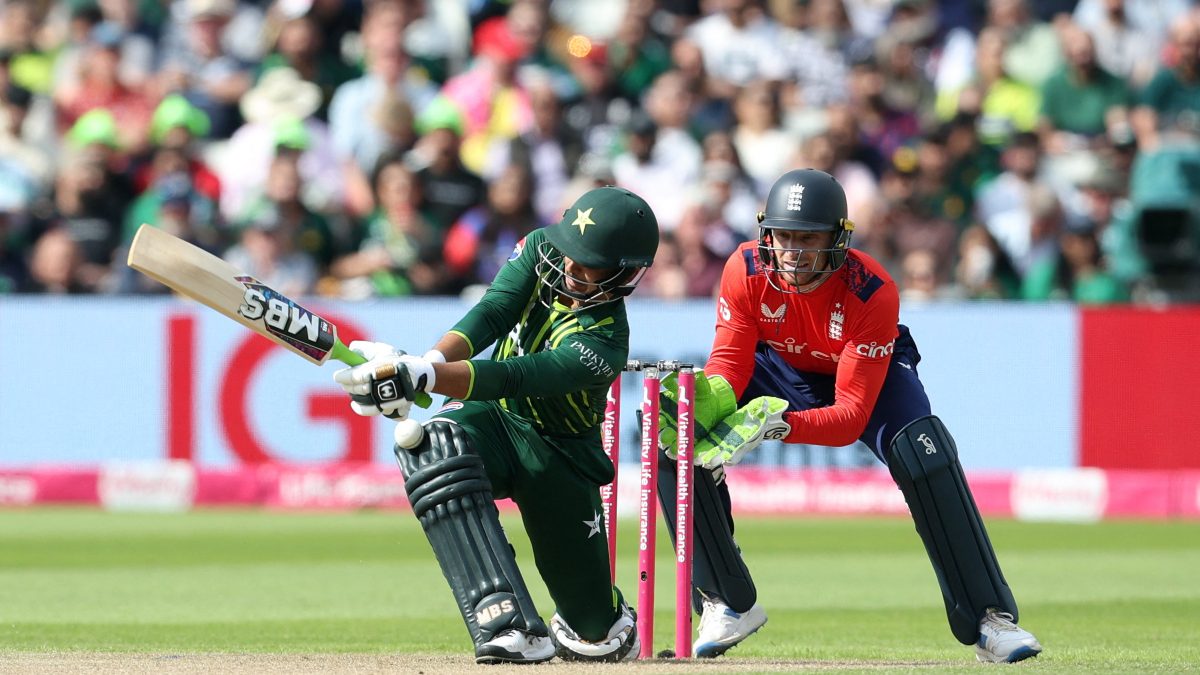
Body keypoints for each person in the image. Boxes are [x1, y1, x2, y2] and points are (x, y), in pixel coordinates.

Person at [654, 169, 1044, 663]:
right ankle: (726, 603)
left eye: (808, 239)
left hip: (863, 372)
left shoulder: (871, 290)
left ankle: (989, 621)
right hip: (779, 366)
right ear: (765, 232)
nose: (793, 252)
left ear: (837, 239)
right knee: (675, 431)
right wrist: (705, 403)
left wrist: (777, 425)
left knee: (922, 450)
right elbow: (730, 365)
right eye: (784, 236)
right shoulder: (745, 269)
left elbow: (850, 418)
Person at [333, 186, 659, 664]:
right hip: (499, 422)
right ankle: (509, 625)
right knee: (431, 444)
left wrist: (423, 376)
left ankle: (608, 623)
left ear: (625, 275)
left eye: (589, 262)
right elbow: (495, 310)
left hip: (560, 455)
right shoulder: (542, 248)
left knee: (594, 635)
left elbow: (517, 375)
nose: (569, 265)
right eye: (569, 248)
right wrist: (427, 362)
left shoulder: (605, 342)